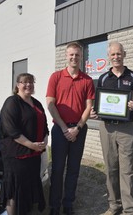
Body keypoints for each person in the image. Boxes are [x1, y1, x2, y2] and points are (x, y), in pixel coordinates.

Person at [90, 41, 133, 215]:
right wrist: (95, 113)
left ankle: (129, 209)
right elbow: (99, 104)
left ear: (124, 54)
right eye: (113, 54)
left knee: (127, 169)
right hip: (106, 128)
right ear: (109, 57)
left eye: (119, 54)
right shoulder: (103, 78)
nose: (116, 57)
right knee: (111, 168)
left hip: (126, 129)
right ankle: (114, 205)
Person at [46, 42, 95, 215]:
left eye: (77, 55)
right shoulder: (56, 77)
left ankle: (68, 204)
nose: (74, 57)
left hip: (79, 130)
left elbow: (89, 107)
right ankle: (54, 205)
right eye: (71, 54)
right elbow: (50, 104)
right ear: (66, 56)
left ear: (81, 57)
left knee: (73, 169)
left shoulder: (87, 80)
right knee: (57, 169)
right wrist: (65, 128)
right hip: (60, 130)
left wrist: (78, 128)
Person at [0, 73, 48, 215]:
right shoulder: (12, 102)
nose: (28, 85)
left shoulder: (36, 103)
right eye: (24, 82)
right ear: (17, 85)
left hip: (34, 155)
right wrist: (31, 145)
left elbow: (44, 126)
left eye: (31, 82)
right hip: (16, 156)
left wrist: (44, 141)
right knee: (14, 190)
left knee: (27, 188)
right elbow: (11, 130)